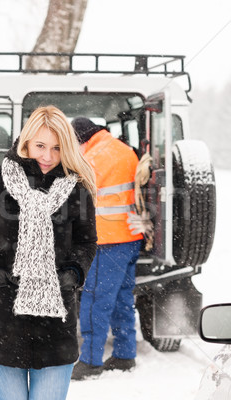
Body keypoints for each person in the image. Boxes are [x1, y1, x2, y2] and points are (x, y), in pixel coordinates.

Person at [0, 106, 97, 400]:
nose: (47, 156)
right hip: (3, 322)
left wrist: (73, 273)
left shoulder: (76, 189)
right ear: (26, 142)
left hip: (56, 325)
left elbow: (86, 242)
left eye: (57, 148)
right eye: (40, 146)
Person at [70, 117, 143, 380]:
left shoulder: (90, 158)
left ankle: (90, 361)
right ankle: (124, 354)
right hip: (131, 238)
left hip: (106, 240)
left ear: (82, 139)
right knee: (123, 298)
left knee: (95, 300)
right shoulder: (127, 151)